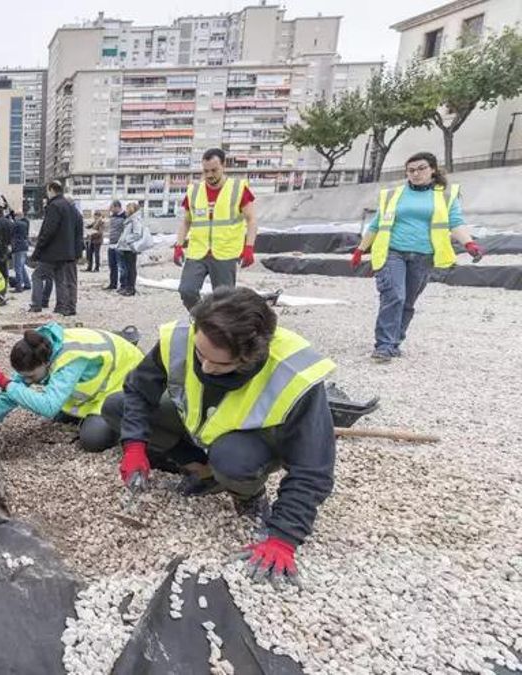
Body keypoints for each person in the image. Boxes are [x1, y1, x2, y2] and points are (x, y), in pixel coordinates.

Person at [117, 287, 337, 584]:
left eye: (220, 364)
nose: (206, 367)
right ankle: (204, 472)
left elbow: (313, 468)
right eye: (200, 354)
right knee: (116, 407)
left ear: (250, 357)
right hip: (201, 426)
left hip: (250, 445)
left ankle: (249, 494)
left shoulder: (293, 374)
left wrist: (283, 537)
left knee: (232, 459)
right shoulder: (182, 337)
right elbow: (138, 390)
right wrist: (134, 445)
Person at [351, 151, 483, 362]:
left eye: (421, 168)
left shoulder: (445, 197)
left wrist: (469, 243)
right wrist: (360, 250)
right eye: (411, 170)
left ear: (433, 170)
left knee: (408, 302)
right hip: (392, 252)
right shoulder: (393, 195)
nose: (416, 173)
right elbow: (376, 225)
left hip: (424, 256)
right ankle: (384, 346)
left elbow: (455, 223)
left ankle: (395, 342)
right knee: (394, 296)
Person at [0, 323, 144, 452]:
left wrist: (6, 384)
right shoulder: (38, 349)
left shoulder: (71, 359)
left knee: (93, 439)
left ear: (46, 363)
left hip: (124, 383)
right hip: (101, 387)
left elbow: (49, 407)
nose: (28, 381)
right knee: (61, 416)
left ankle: (124, 423)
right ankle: (85, 416)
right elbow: (13, 390)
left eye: (31, 376)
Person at [175, 148, 258, 311]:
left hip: (225, 252)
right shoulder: (194, 191)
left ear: (224, 165)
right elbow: (186, 221)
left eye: (214, 170)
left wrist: (249, 247)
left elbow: (251, 219)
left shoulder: (237, 188)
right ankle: (201, 317)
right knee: (187, 290)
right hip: (197, 251)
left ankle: (221, 324)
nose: (209, 175)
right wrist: (178, 245)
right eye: (206, 171)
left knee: (224, 301)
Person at [29, 181, 82, 316]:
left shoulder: (54, 206)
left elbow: (48, 231)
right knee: (61, 279)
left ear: (51, 190)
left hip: (52, 252)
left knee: (37, 275)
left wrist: (37, 251)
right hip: (67, 252)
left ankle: (36, 304)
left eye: (47, 190)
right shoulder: (70, 207)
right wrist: (76, 252)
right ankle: (62, 306)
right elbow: (77, 232)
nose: (47, 194)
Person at [116, 202, 143, 296]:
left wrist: (126, 240)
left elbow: (137, 234)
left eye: (127, 209)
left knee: (131, 269)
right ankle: (127, 287)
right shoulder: (129, 220)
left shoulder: (135, 220)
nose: (125, 211)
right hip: (125, 247)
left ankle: (131, 288)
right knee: (127, 268)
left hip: (130, 248)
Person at [104, 201, 126, 290]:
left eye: (112, 208)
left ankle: (123, 285)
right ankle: (113, 284)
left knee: (121, 266)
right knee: (112, 265)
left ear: (117, 207)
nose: (110, 210)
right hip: (111, 244)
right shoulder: (112, 216)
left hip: (119, 245)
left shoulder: (125, 216)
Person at [11, 210, 31, 292]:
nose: (14, 217)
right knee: (22, 266)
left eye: (15, 215)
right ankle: (27, 284)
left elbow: (12, 234)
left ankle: (19, 286)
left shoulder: (16, 224)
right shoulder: (25, 223)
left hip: (17, 247)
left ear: (18, 216)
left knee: (17, 267)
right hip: (24, 246)